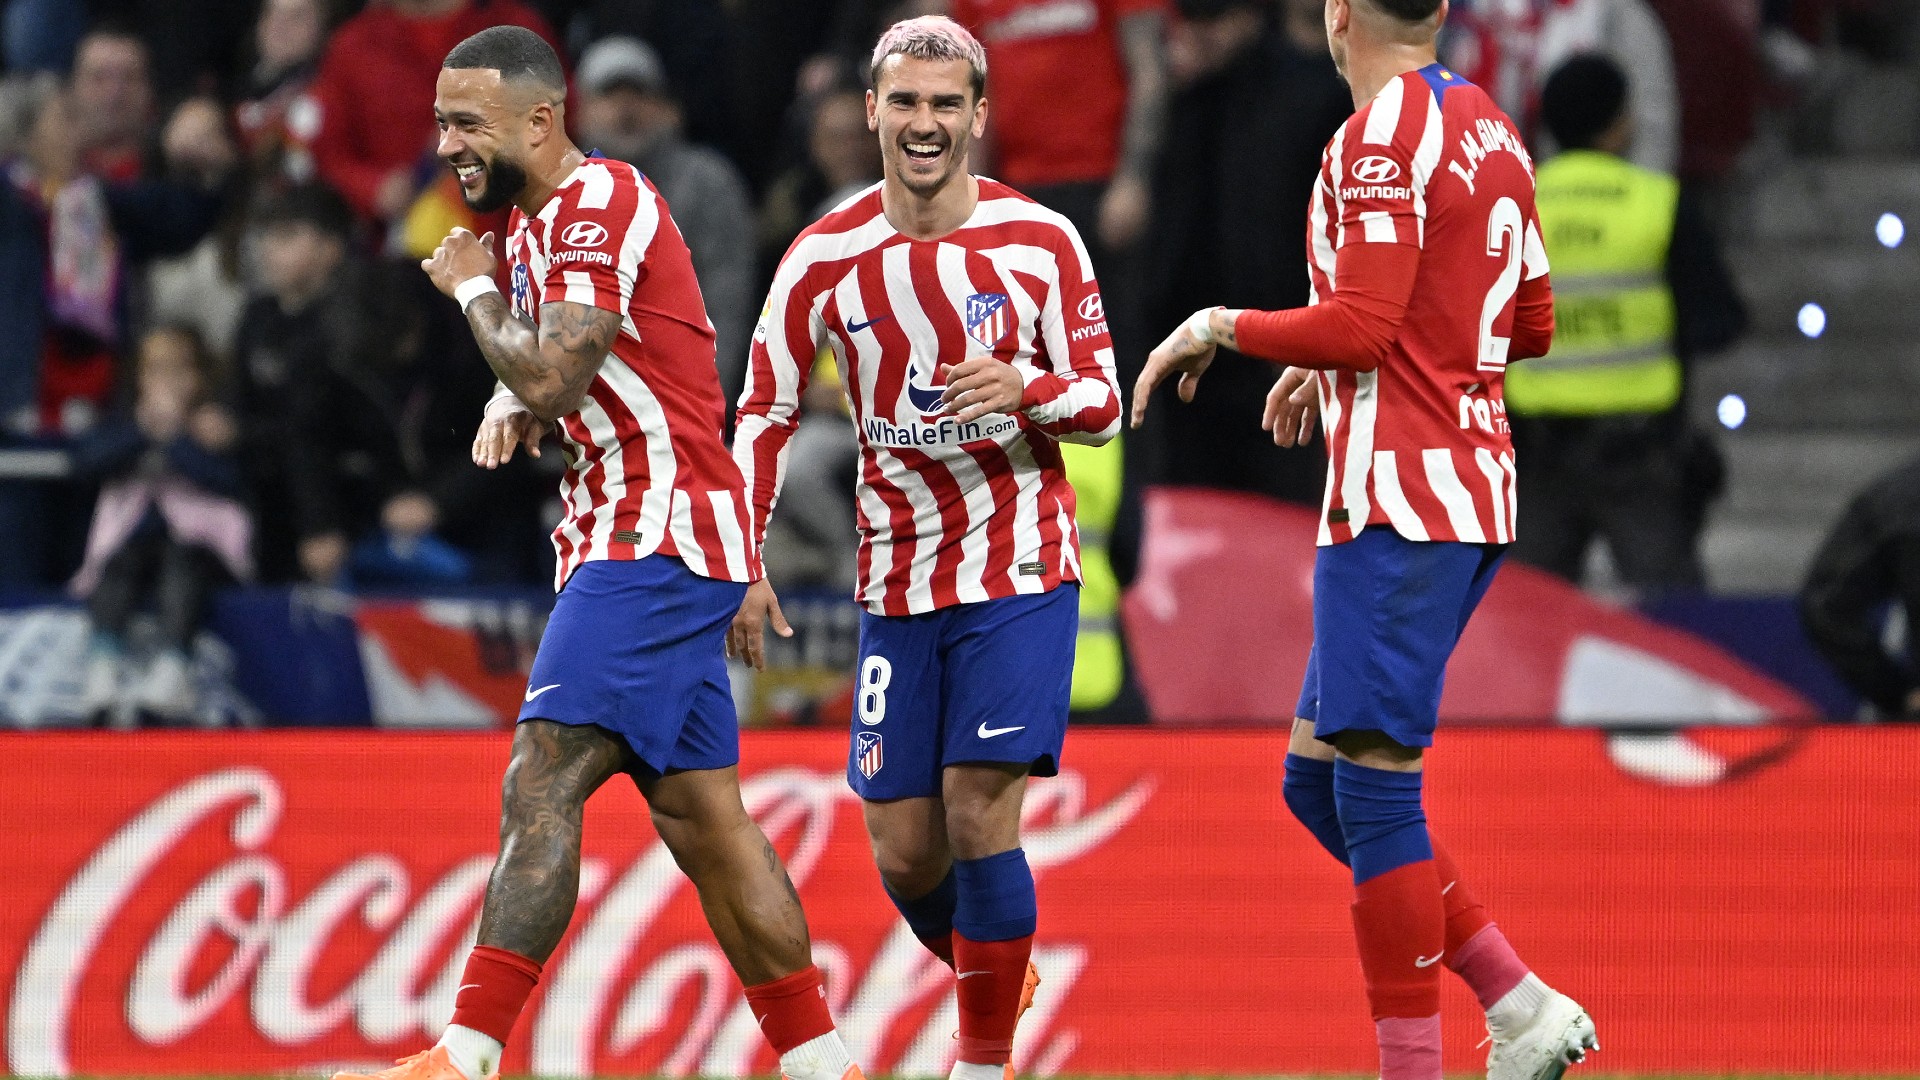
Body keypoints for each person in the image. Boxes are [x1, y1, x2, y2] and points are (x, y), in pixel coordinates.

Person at [332, 27, 865, 1080]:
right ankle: (826, 1065)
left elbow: (558, 375)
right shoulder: (538, 229)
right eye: (441, 121)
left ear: (541, 118)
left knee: (542, 778)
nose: (448, 145)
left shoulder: (598, 203)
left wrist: (473, 297)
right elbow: (596, 370)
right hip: (648, 533)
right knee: (708, 823)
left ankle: (468, 1051)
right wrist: (507, 395)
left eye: (467, 122)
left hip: (651, 537)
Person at [1131, 1, 1595, 1078]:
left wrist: (1219, 327)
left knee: (1377, 790)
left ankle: (1415, 1068)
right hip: (1470, 487)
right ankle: (1516, 1002)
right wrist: (1347, 355)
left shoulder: (1378, 136)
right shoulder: (1487, 124)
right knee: (1315, 782)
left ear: (1338, 14)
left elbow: (1366, 324)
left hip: (1401, 501)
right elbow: (1527, 324)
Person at [730, 18, 1122, 1080]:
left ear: (980, 117)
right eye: (905, 103)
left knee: (975, 809)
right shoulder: (824, 253)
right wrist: (742, 553)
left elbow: (1104, 403)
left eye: (948, 104)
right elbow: (762, 406)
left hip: (1018, 568)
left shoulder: (1043, 243)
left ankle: (982, 1062)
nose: (925, 123)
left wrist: (1026, 389)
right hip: (894, 582)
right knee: (905, 851)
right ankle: (996, 964)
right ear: (870, 112)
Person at [1504, 54, 1745, 593]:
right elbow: (1720, 321)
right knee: (1673, 624)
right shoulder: (1657, 203)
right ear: (1617, 125)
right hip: (1639, 456)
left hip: (1537, 457)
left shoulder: (1511, 204)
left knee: (1523, 621)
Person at [71, 324, 249, 725]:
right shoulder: (125, 423)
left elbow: (227, 480)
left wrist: (175, 437)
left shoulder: (214, 427)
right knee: (116, 565)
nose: (164, 381)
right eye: (155, 370)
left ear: (198, 376)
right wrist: (142, 431)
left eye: (177, 370)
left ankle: (174, 666)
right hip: (136, 545)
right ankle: (103, 662)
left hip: (203, 551)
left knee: (183, 563)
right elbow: (85, 464)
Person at [575, 35, 756, 411]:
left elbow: (727, 304)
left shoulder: (708, 182)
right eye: (610, 96)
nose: (626, 109)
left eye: (639, 95)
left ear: (664, 106)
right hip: (582, 403)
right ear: (582, 110)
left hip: (683, 396)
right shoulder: (563, 188)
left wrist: (703, 404)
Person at [1799, 455, 1920, 720]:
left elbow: (1825, 603)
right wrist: (1896, 692)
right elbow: (1826, 605)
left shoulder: (1901, 494)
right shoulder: (1904, 498)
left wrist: (1896, 692)